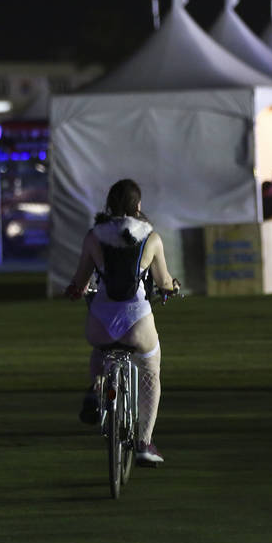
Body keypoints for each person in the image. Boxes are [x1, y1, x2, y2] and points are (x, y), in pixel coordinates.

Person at [65, 179, 179, 466]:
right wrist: (171, 288)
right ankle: (144, 443)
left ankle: (94, 391)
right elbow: (164, 281)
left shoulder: (94, 236)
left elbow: (80, 281)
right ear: (138, 206)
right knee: (151, 369)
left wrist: (77, 290)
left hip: (101, 320)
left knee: (99, 351)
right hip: (137, 320)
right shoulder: (151, 238)